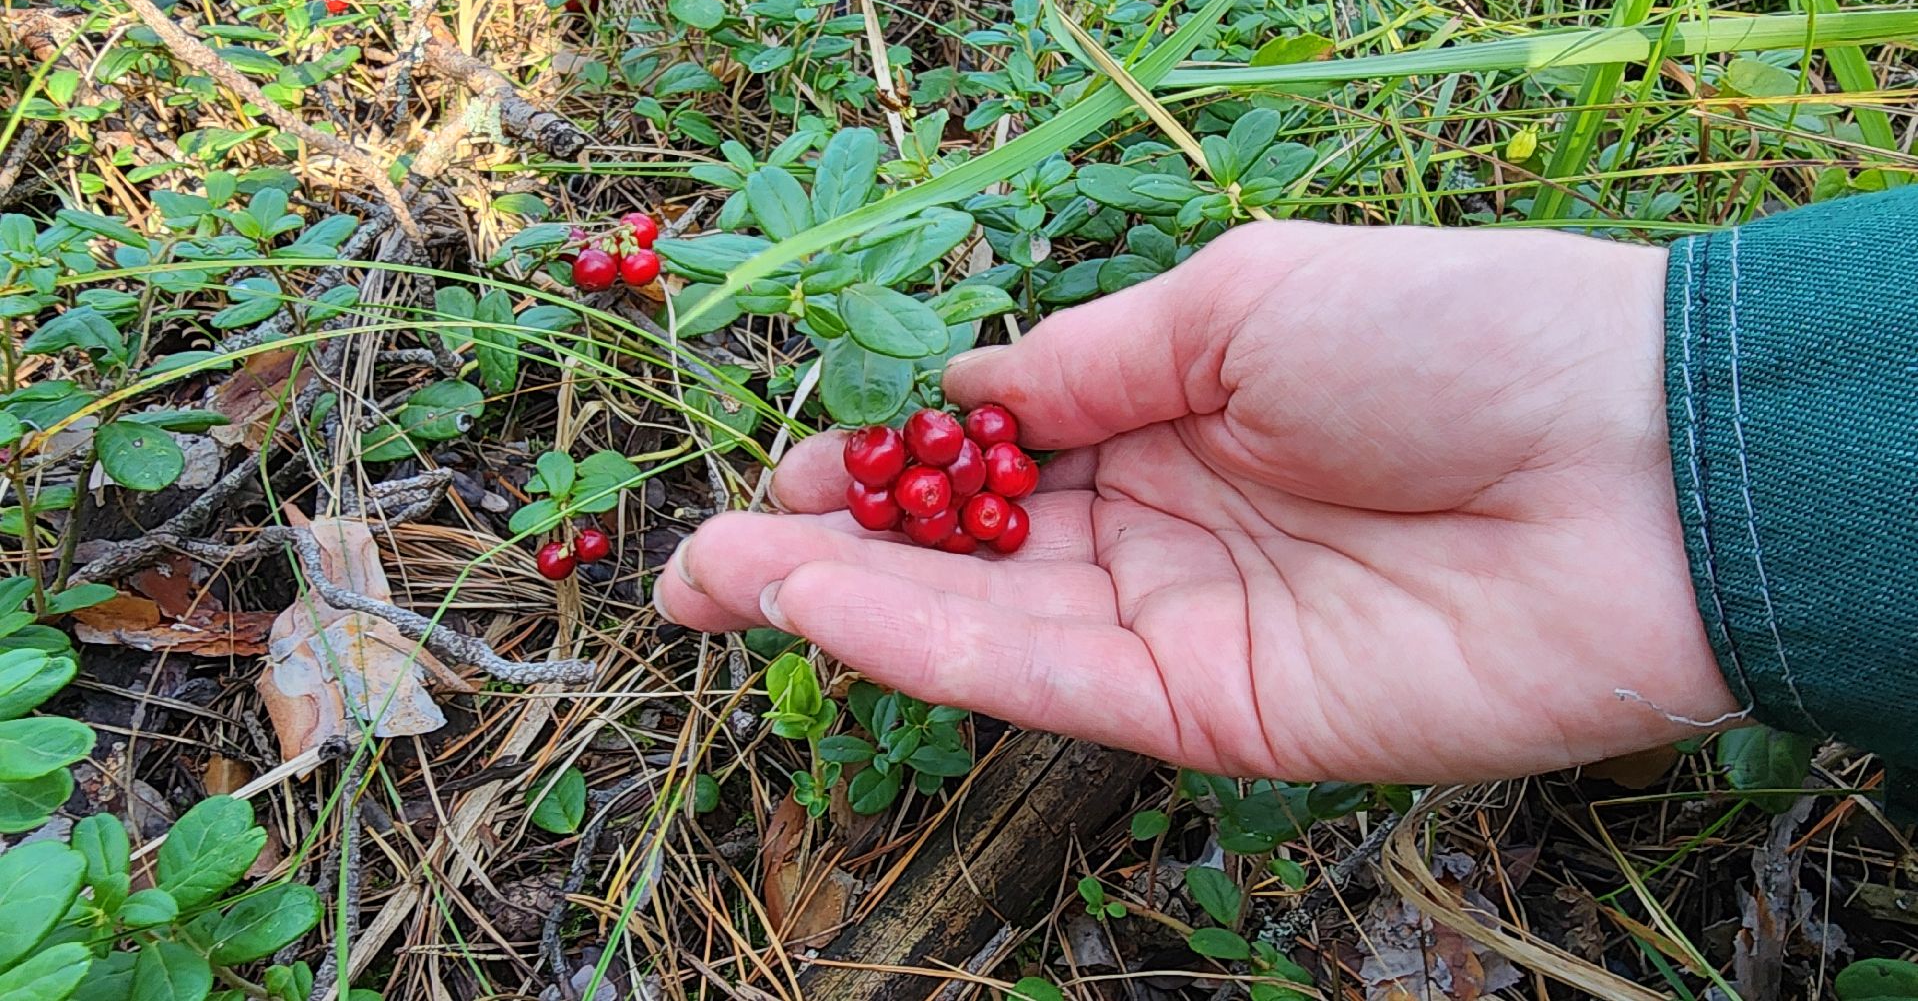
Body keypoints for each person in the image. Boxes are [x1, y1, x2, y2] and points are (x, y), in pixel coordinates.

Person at [652, 190, 1918, 802]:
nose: (946, 467)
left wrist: (1664, 415)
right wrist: (1700, 431)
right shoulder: (957, 455)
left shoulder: (972, 453)